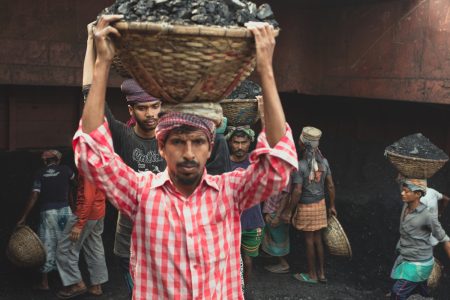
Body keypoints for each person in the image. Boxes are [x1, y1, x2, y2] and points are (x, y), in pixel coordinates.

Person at [74, 14, 297, 299]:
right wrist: (102, 61)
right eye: (178, 142)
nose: (188, 153)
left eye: (198, 142)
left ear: (211, 147)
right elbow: (91, 155)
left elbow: (278, 165)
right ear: (161, 148)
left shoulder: (230, 193)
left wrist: (265, 69)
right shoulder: (141, 194)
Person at [81, 23, 167, 296]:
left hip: (167, 238)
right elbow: (89, 96)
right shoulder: (123, 136)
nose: (150, 113)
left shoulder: (174, 137)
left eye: (155, 106)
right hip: (129, 241)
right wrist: (90, 44)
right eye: (142, 108)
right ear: (131, 108)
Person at [16, 150, 75, 291]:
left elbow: (34, 197)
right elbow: (75, 185)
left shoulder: (40, 173)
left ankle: (45, 283)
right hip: (66, 212)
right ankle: (69, 282)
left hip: (48, 213)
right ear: (58, 160)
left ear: (45, 161)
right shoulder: (67, 170)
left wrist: (23, 217)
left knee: (47, 245)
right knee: (66, 245)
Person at [390, 178, 450, 300]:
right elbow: (400, 180)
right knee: (422, 293)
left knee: (397, 293)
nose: (402, 193)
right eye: (403, 190)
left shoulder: (427, 216)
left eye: (407, 191)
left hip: (418, 264)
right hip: (407, 258)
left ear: (417, 194)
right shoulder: (406, 206)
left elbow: (444, 239)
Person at [291, 127, 336, 284]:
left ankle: (311, 275)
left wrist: (290, 210)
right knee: (318, 238)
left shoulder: (300, 165)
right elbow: (330, 186)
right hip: (321, 204)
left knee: (309, 240)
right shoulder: (324, 162)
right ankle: (321, 273)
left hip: (306, 206)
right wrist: (332, 206)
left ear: (302, 144)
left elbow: (297, 191)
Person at [55, 174, 108, 299]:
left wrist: (79, 224)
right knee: (94, 247)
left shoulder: (87, 169)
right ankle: (97, 285)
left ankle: (76, 284)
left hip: (86, 214)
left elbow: (87, 198)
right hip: (98, 211)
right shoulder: (99, 166)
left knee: (65, 249)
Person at [226, 125, 264, 287]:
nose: (240, 146)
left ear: (250, 142)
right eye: (236, 142)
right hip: (228, 223)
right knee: (228, 260)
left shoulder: (255, 162)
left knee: (247, 260)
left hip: (252, 222)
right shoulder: (223, 162)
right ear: (229, 142)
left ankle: (242, 290)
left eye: (244, 142)